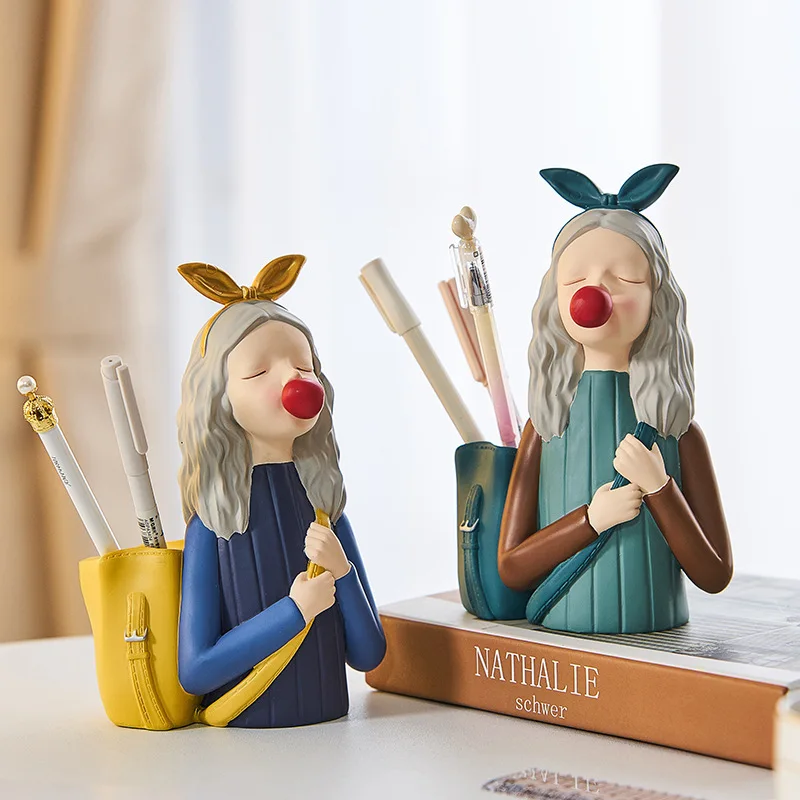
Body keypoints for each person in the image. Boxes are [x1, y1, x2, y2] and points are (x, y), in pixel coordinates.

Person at [498, 166, 732, 634]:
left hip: (657, 630)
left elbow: (714, 573)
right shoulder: (545, 426)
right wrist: (591, 519)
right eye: (576, 279)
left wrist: (660, 487)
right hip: (565, 633)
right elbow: (512, 567)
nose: (594, 292)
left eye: (624, 277)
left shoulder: (678, 431)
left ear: (657, 299)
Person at [176, 255, 385, 726]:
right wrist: (295, 611)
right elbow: (196, 670)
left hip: (334, 741)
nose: (294, 380)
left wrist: (342, 571)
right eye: (258, 372)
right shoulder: (211, 527)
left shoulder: (325, 509)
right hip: (249, 745)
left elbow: (369, 653)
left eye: (303, 366)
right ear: (217, 399)